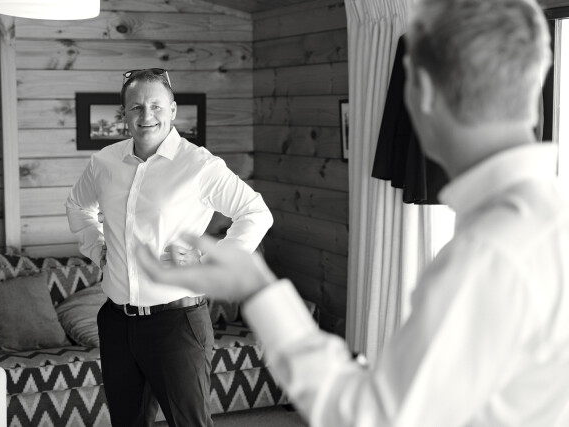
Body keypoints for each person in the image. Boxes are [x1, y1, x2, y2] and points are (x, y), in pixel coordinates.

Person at [135, 0, 569, 425]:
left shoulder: (488, 255)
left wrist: (258, 288)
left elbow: (370, 417)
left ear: (423, 92)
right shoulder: (548, 222)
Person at [65, 68, 273, 427]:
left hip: (177, 324)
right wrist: (96, 247)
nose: (146, 115)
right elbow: (77, 205)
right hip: (116, 322)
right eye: (136, 107)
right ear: (124, 114)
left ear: (173, 110)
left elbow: (256, 212)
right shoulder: (104, 163)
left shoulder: (200, 165)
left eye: (156, 106)